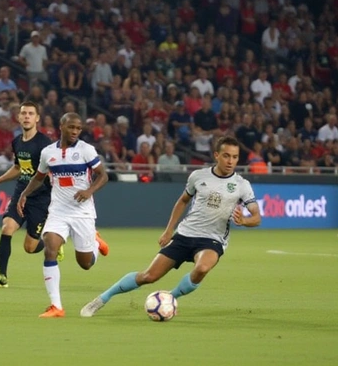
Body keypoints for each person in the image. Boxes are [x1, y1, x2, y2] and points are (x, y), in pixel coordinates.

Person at [80, 136, 261, 318]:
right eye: (226, 156)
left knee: (202, 268)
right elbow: (182, 201)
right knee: (148, 276)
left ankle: (169, 298)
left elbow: (256, 217)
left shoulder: (241, 185)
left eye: (235, 157)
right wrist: (169, 230)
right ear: (216, 155)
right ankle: (102, 299)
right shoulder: (198, 176)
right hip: (185, 234)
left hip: (213, 239)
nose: (231, 161)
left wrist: (245, 221)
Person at [17, 112, 109, 318]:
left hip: (82, 212)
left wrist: (88, 191)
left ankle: (95, 242)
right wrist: (24, 194)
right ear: (62, 126)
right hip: (58, 211)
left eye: (78, 128)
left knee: (85, 264)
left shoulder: (86, 150)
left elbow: (103, 176)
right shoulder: (48, 153)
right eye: (72, 127)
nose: (75, 131)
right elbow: (39, 177)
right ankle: (56, 306)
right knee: (50, 249)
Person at [0, 101, 56, 288]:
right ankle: (2, 275)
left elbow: (52, 171)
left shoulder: (44, 144)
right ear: (18, 117)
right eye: (23, 113)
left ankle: (51, 246)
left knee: (30, 248)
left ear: (37, 118)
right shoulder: (17, 142)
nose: (26, 116)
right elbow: (18, 167)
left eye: (31, 113)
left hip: (40, 199)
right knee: (7, 227)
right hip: (21, 193)